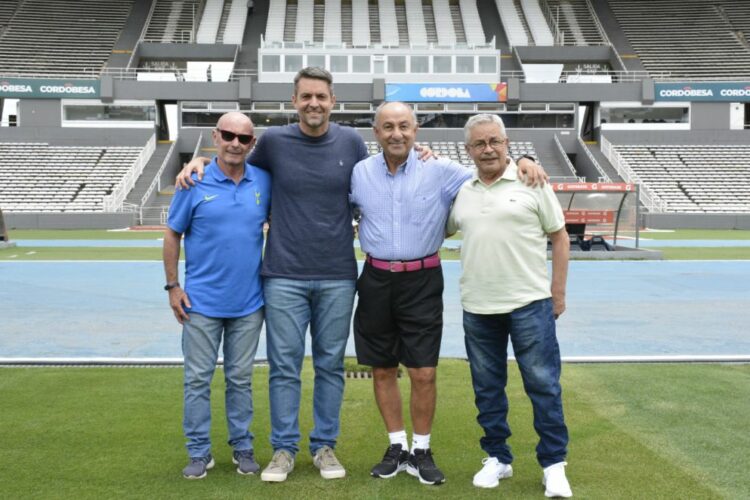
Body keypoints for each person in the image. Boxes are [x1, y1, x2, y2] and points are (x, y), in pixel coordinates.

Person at [177, 67, 369, 482]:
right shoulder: (274, 142)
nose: (313, 103)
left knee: (330, 365)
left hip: (338, 273)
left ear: (332, 101)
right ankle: (283, 450)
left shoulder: (352, 142)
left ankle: (324, 447)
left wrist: (425, 155)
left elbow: (379, 181)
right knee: (284, 367)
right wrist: (200, 160)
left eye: (321, 96)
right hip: (283, 275)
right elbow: (234, 162)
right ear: (294, 101)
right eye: (306, 97)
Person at [350, 102, 547, 486]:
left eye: (404, 126)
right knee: (382, 368)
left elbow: (492, 166)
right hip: (374, 278)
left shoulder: (442, 170)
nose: (396, 134)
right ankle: (396, 447)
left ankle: (421, 450)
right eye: (387, 127)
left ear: (416, 129)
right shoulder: (359, 173)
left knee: (424, 372)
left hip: (422, 279)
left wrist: (524, 158)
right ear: (376, 133)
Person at [446, 114, 572, 497]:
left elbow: (560, 237)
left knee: (543, 384)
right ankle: (497, 458)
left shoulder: (532, 181)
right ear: (468, 150)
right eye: (479, 144)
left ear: (507, 143)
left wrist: (558, 293)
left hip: (530, 304)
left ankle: (553, 464)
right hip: (478, 307)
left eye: (494, 142)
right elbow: (448, 227)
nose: (487, 149)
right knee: (487, 388)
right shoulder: (463, 191)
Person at [163, 112, 271, 480]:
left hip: (249, 304)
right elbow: (172, 234)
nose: (235, 143)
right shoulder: (192, 182)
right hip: (200, 304)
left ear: (252, 144)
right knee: (197, 380)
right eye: (228, 135)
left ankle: (242, 445)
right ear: (216, 136)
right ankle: (198, 452)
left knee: (240, 379)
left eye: (244, 138)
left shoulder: (264, 181)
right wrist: (173, 286)